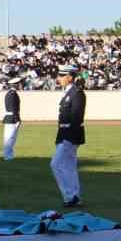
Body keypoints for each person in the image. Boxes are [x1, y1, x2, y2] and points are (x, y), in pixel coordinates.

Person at [51, 65, 85, 207]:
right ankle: (75, 195)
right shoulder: (68, 93)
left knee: (56, 164)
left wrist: (69, 137)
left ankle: (69, 196)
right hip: (64, 134)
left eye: (61, 75)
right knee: (70, 166)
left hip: (70, 135)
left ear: (70, 77)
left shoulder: (77, 93)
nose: (58, 78)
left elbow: (77, 117)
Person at [0, 76, 21, 160]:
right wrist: (17, 119)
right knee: (10, 138)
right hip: (12, 118)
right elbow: (13, 107)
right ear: (14, 85)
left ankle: (8, 155)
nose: (19, 85)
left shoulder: (9, 93)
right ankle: (8, 156)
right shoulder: (13, 94)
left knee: (9, 138)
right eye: (18, 84)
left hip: (10, 117)